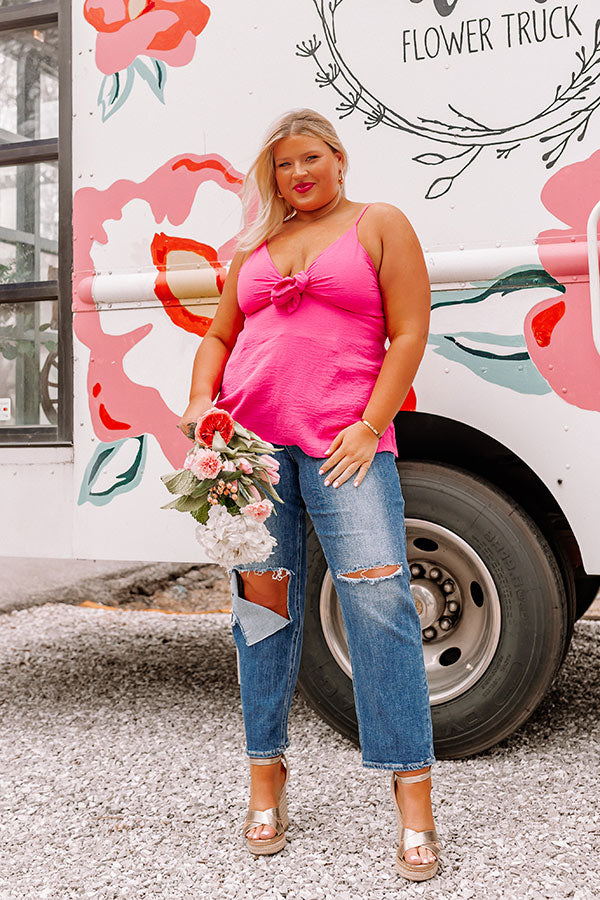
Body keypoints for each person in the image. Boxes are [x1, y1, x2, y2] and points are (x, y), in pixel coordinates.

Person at [178, 108, 440, 881]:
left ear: (338, 157)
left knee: (379, 602)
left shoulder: (379, 223)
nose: (299, 174)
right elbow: (220, 335)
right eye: (284, 165)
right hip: (254, 456)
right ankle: (267, 774)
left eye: (310, 159)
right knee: (261, 610)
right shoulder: (255, 246)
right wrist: (200, 400)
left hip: (342, 449)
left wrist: (370, 424)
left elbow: (412, 331)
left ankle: (413, 795)